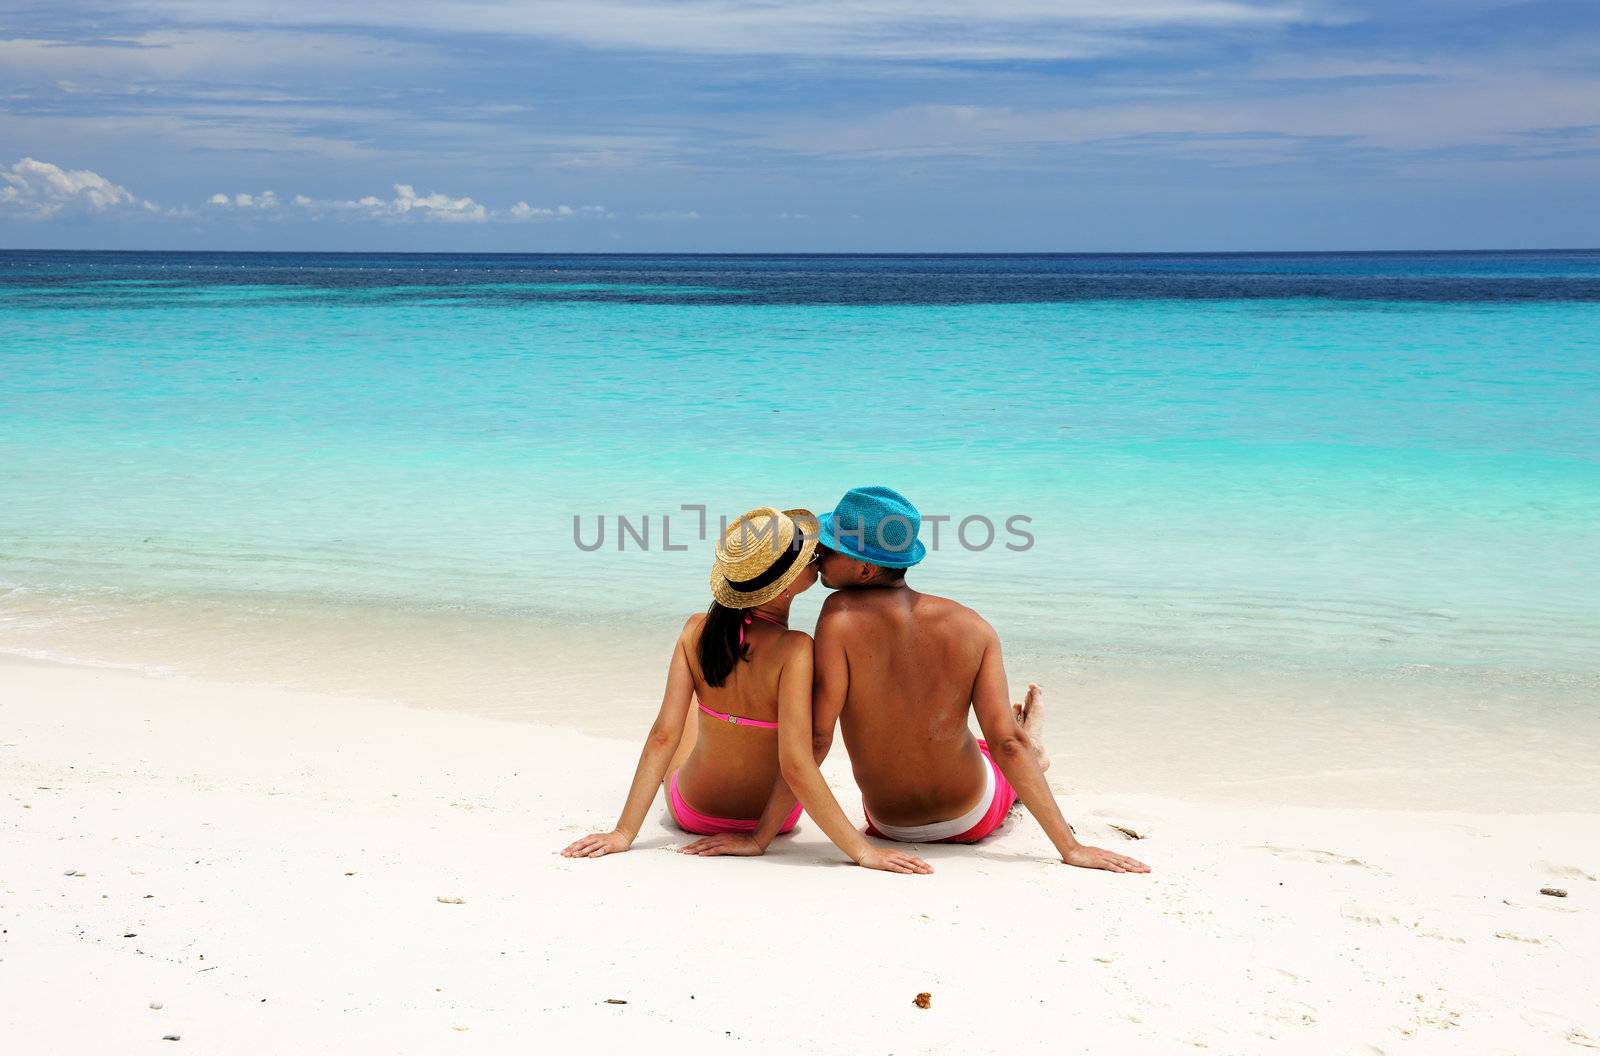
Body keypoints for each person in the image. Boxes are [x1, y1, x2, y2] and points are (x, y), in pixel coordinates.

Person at [691, 486, 1148, 875]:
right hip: (973, 817)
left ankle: (1035, 757)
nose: (818, 553)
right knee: (1000, 745)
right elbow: (1007, 744)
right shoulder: (974, 626)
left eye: (828, 546)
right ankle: (1030, 755)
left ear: (865, 570)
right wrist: (1069, 849)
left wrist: (759, 839)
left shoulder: (838, 618)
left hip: (892, 825)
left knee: (991, 746)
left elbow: (816, 739)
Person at [560, 505, 926, 875]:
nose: (816, 553)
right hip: (772, 820)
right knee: (746, 717)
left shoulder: (694, 630)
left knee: (691, 710)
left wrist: (623, 833)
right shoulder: (796, 649)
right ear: (782, 587)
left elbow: (662, 737)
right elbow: (797, 765)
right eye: (804, 553)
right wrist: (861, 852)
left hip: (694, 813)